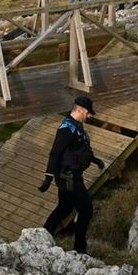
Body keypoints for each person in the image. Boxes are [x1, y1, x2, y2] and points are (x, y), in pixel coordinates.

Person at [38, 96, 104, 254]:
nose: (89, 116)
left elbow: (80, 148)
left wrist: (95, 160)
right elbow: (55, 152)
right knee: (86, 210)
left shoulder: (77, 125)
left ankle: (41, 238)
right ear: (79, 110)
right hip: (69, 178)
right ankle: (80, 250)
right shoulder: (66, 129)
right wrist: (48, 177)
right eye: (87, 113)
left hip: (71, 176)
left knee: (64, 208)